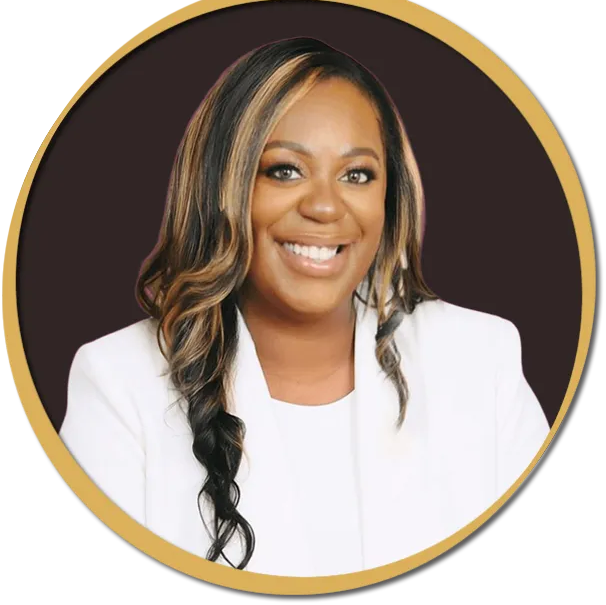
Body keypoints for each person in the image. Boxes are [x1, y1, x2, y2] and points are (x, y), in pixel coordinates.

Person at [60, 37, 550, 578]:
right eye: (285, 170)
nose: (324, 206)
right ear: (222, 185)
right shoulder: (118, 383)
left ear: (389, 198)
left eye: (357, 174)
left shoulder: (481, 359)